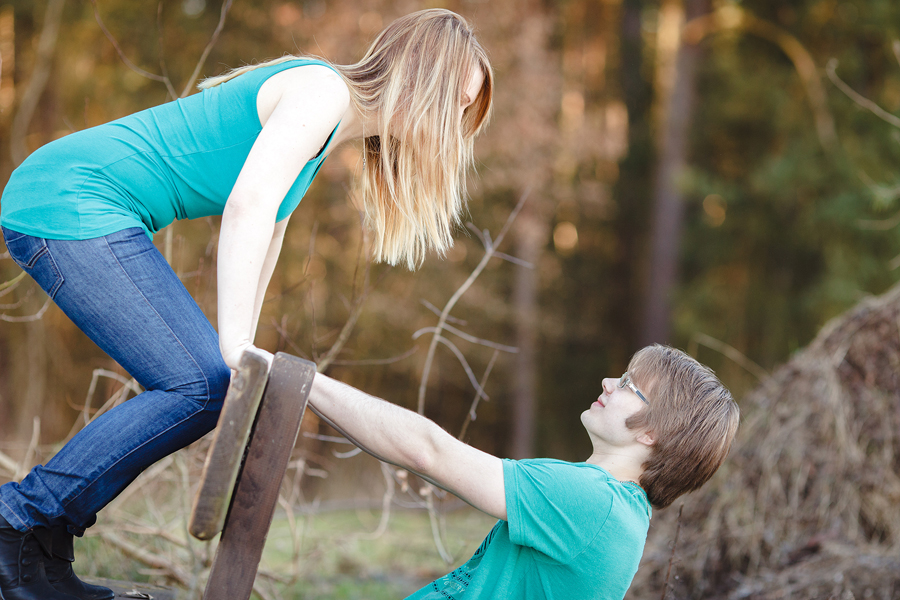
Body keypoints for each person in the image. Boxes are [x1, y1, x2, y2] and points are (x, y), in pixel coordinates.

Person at [0, 9, 493, 600]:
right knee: (199, 384)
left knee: (210, 383)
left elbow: (271, 231)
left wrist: (245, 354)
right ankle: (19, 520)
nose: (456, 124)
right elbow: (248, 207)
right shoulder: (322, 91)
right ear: (422, 80)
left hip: (79, 203)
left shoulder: (330, 124)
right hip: (69, 197)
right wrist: (232, 346)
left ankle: (37, 557)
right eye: (457, 104)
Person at [308, 344, 740, 600]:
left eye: (629, 384)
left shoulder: (593, 502)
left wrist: (301, 380)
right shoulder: (614, 510)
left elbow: (427, 453)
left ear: (652, 432)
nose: (610, 382)